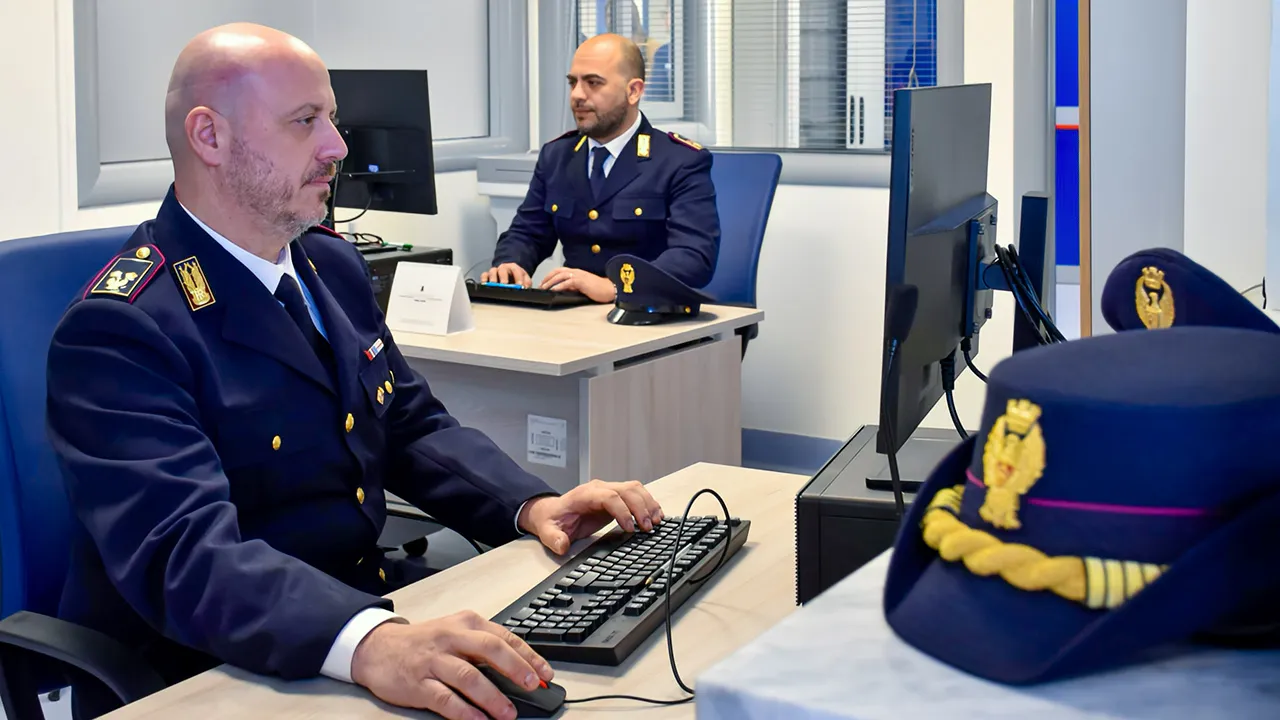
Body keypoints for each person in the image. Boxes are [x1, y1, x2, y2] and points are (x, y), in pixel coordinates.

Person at [47, 23, 664, 720]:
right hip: (211, 667)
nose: (337, 147)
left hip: (353, 613)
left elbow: (407, 425)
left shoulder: (330, 266)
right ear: (209, 137)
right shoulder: (123, 327)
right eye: (306, 121)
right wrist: (370, 641)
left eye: (331, 119)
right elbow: (186, 556)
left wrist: (529, 506)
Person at [480, 33, 720, 302]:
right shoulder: (558, 156)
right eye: (573, 83)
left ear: (633, 91)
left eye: (593, 83)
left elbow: (694, 257)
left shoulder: (678, 161)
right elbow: (528, 232)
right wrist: (511, 264)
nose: (577, 95)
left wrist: (617, 287)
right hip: (575, 314)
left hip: (648, 314)